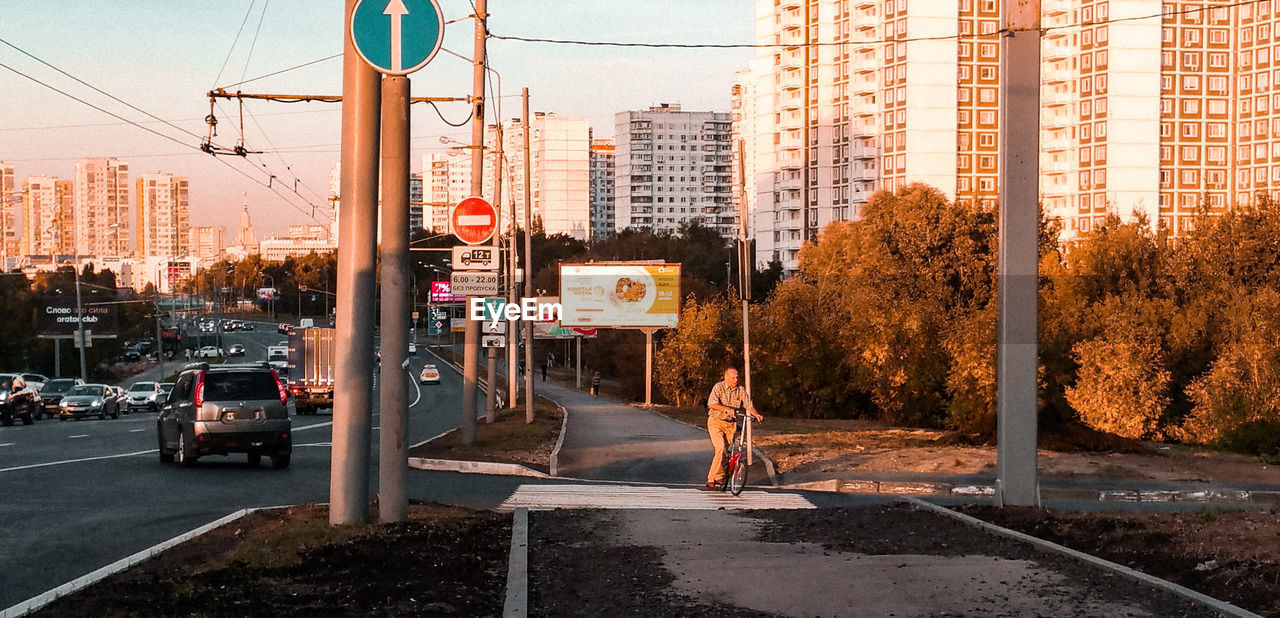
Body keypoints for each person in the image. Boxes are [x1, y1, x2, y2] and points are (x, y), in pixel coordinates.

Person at [705, 367, 763, 489]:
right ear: (726, 377)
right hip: (716, 421)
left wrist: (756, 414)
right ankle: (715, 477)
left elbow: (748, 405)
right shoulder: (718, 387)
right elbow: (711, 403)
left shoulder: (740, 390)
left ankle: (715, 477)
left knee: (724, 451)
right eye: (733, 377)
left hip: (730, 424)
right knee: (720, 448)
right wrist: (727, 409)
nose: (735, 380)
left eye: (737, 377)